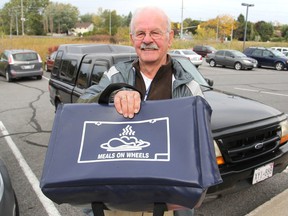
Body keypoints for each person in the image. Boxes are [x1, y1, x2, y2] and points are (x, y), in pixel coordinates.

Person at [78, 6, 204, 216]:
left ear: (170, 37)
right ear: (132, 38)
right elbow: (82, 105)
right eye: (140, 33)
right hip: (117, 201)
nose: (147, 40)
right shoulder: (115, 74)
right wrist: (113, 93)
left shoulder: (189, 87)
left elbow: (198, 145)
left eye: (155, 32)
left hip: (167, 200)